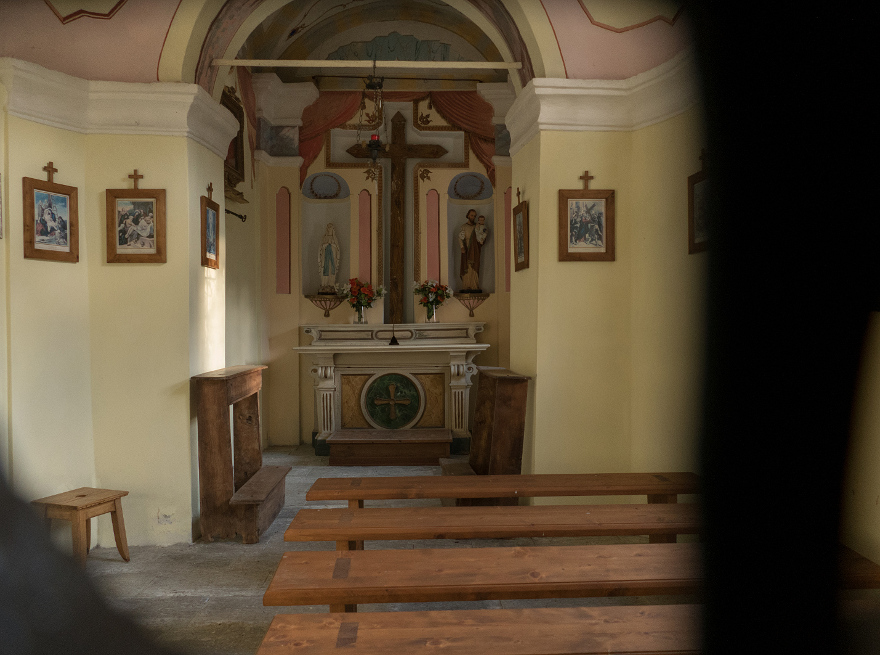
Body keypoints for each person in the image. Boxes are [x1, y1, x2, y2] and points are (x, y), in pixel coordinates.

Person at [458, 209, 488, 291]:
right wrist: (462, 247)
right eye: (471, 215)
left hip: (475, 249)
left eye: (474, 216)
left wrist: (482, 239)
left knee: (475, 266)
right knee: (467, 266)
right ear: (468, 215)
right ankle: (466, 286)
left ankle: (474, 285)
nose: (473, 217)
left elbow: (482, 235)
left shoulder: (477, 226)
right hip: (467, 249)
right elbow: (460, 238)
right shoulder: (464, 226)